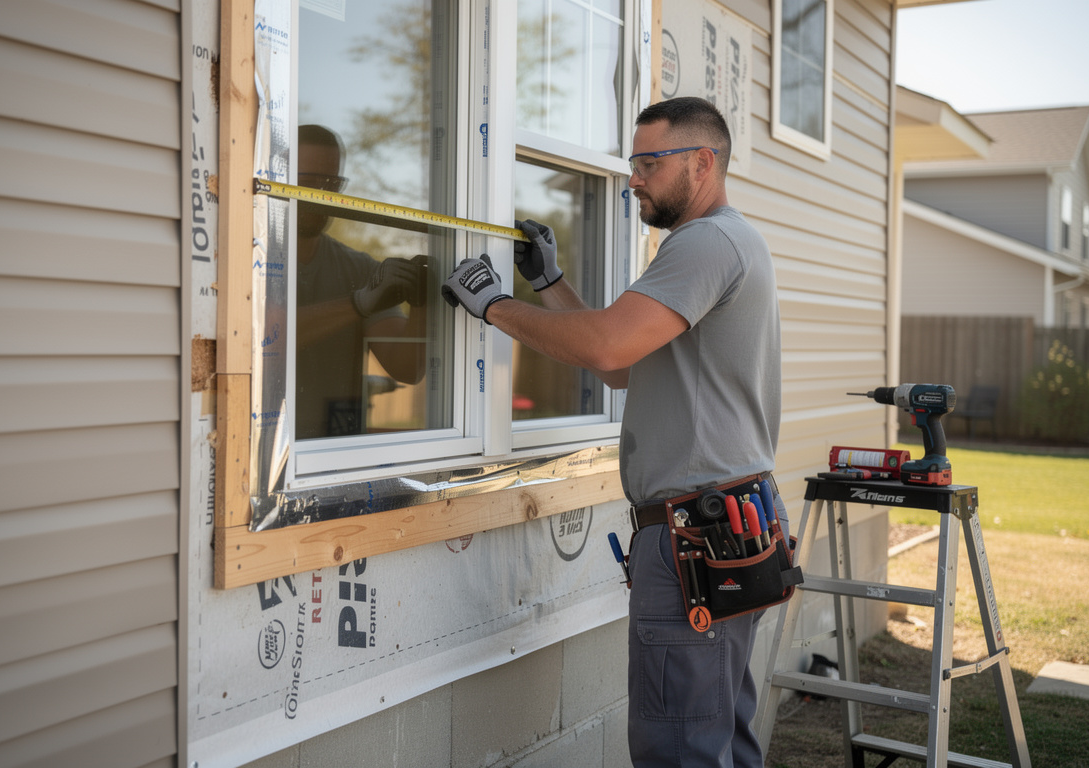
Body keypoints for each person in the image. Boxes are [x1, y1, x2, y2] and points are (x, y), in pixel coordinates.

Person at [442, 97, 787, 767]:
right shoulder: (730, 242)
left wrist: (495, 306)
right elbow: (629, 365)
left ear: (701, 163)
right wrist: (551, 284)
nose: (632, 179)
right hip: (732, 530)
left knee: (680, 750)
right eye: (631, 163)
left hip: (698, 538)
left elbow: (605, 349)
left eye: (647, 163)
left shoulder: (706, 242)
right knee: (720, 738)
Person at [289, 125, 428, 439]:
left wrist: (422, 303)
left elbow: (406, 370)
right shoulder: (250, 260)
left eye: (331, 183)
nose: (322, 196)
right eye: (308, 183)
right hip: (257, 453)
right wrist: (357, 304)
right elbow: (262, 339)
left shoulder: (359, 269)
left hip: (337, 451)